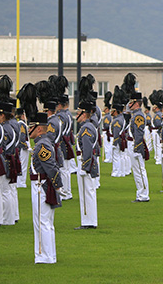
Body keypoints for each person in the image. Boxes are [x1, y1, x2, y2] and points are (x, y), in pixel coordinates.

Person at [30, 110, 63, 263]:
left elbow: (51, 167)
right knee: (45, 222)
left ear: (39, 128)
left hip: (40, 186)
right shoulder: (42, 143)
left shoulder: (42, 145)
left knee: (43, 222)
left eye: (31, 126)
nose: (28, 129)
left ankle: (46, 256)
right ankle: (47, 254)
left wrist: (57, 186)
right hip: (42, 184)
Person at [75, 97, 99, 229]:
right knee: (88, 192)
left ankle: (88, 221)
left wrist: (85, 166)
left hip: (85, 162)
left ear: (84, 114)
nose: (76, 115)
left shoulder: (86, 128)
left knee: (86, 192)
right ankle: (89, 220)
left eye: (79, 112)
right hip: (86, 162)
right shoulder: (88, 126)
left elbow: (87, 149)